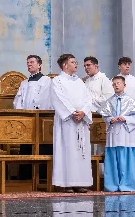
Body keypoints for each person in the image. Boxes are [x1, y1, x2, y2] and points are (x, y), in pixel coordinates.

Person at [51, 54, 93, 193]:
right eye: (73, 62)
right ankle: (66, 182)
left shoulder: (80, 82)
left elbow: (88, 99)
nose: (76, 64)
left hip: (81, 121)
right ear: (65, 65)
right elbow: (59, 99)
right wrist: (73, 113)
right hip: (67, 122)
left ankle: (80, 182)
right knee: (68, 151)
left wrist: (83, 112)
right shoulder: (57, 81)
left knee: (81, 152)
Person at [99, 76, 135, 192]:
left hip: (126, 134)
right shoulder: (109, 101)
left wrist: (126, 118)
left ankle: (129, 184)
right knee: (113, 156)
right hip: (113, 133)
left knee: (127, 157)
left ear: (124, 85)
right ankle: (113, 184)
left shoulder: (131, 101)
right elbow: (105, 116)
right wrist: (110, 119)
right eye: (114, 84)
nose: (116, 86)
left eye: (118, 83)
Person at [13, 55, 52, 180]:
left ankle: (41, 176)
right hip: (26, 119)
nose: (29, 64)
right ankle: (25, 176)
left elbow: (45, 98)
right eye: (28, 62)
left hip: (40, 119)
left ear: (39, 65)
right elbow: (18, 100)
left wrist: (36, 112)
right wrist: (21, 113)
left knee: (41, 146)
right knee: (26, 147)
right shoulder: (24, 83)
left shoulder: (46, 81)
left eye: (32, 62)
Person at [83, 56, 113, 177]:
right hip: (88, 117)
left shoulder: (104, 80)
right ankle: (90, 176)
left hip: (100, 117)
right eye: (85, 66)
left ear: (96, 66)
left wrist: (90, 101)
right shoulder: (86, 81)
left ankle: (103, 176)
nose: (86, 68)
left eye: (88, 65)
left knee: (101, 148)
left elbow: (107, 98)